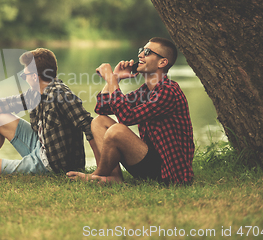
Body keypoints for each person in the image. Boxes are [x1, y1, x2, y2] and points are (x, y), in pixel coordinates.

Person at [67, 37, 194, 184]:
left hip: (170, 172)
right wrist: (116, 78)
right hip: (150, 162)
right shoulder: (146, 90)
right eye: (141, 51)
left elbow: (126, 118)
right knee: (99, 121)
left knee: (117, 130)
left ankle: (97, 174)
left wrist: (111, 80)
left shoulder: (168, 91)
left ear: (162, 62)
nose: (140, 55)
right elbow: (102, 108)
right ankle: (113, 177)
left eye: (147, 52)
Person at [0, 48, 98, 176]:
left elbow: (89, 126)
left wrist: (100, 169)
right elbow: (7, 103)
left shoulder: (60, 95)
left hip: (53, 165)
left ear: (34, 76)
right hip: (42, 146)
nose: (24, 78)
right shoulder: (37, 92)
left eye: (24, 75)